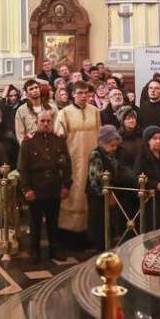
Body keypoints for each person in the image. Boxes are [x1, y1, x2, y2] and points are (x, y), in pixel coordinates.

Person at [18, 109, 72, 261]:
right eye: (42, 121)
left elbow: (67, 165)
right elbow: (23, 168)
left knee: (53, 222)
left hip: (54, 188)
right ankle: (34, 251)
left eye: (48, 121)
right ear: (36, 122)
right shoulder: (28, 142)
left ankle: (54, 249)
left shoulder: (59, 141)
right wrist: (26, 188)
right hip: (36, 188)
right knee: (35, 222)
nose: (46, 124)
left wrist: (66, 185)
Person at [55, 81, 99, 241]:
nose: (83, 96)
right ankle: (70, 237)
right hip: (72, 162)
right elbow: (59, 142)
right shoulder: (64, 113)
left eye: (86, 93)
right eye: (79, 93)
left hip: (92, 162)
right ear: (72, 94)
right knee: (73, 195)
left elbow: (99, 137)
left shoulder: (95, 111)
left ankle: (90, 234)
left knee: (90, 196)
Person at [87, 124, 136, 249]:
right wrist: (107, 195)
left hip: (111, 194)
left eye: (115, 145)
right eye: (111, 145)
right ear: (104, 142)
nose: (114, 148)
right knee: (100, 225)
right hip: (99, 197)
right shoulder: (96, 154)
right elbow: (95, 180)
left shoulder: (112, 154)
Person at [14, 78, 56, 143]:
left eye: (36, 87)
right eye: (31, 89)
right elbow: (20, 135)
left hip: (49, 144)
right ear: (27, 94)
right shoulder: (21, 110)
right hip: (31, 146)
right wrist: (25, 148)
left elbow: (57, 128)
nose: (35, 90)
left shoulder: (51, 108)